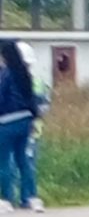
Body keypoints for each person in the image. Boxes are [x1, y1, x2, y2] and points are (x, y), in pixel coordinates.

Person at [0, 40, 42, 214]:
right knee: (23, 160)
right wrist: (33, 119)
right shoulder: (24, 74)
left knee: (3, 162)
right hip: (25, 120)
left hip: (6, 122)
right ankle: (31, 198)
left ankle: (6, 200)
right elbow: (32, 100)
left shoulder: (4, 74)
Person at [16, 42, 50, 199]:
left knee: (24, 164)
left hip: (31, 131)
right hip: (26, 130)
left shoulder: (37, 84)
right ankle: (21, 198)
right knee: (22, 165)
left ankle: (25, 198)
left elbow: (44, 108)